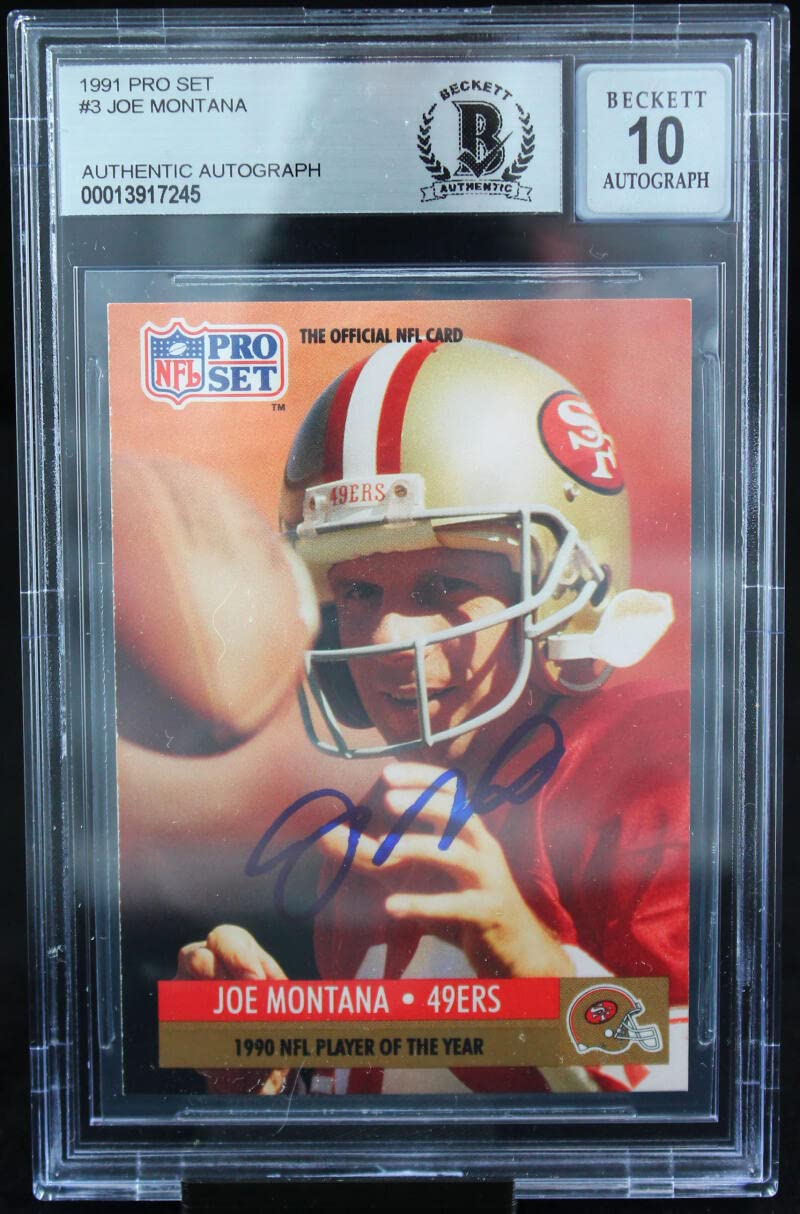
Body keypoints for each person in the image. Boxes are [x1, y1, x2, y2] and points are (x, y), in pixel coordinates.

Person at [177, 338, 689, 1095]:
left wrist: (529, 961)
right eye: (358, 592)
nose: (386, 635)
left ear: (561, 587)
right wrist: (280, 1075)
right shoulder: (381, 829)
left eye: (440, 586)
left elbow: (708, 1087)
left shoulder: (654, 768)